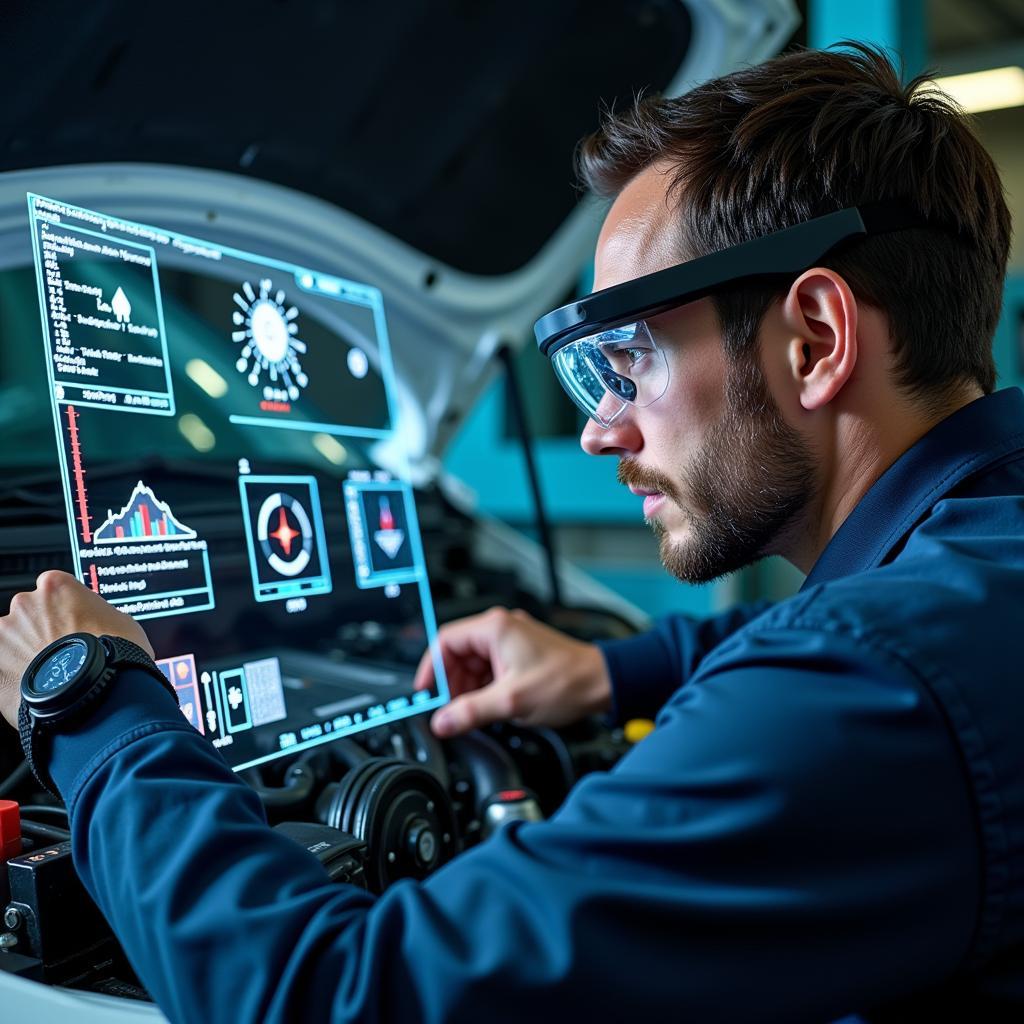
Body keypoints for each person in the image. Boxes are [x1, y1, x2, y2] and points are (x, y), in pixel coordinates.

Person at [1, 42, 1021, 1022]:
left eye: (628, 360)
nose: (596, 428)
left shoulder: (868, 692)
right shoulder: (973, 565)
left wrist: (94, 706)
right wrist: (614, 669)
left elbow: (336, 996)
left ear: (815, 340)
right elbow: (866, 635)